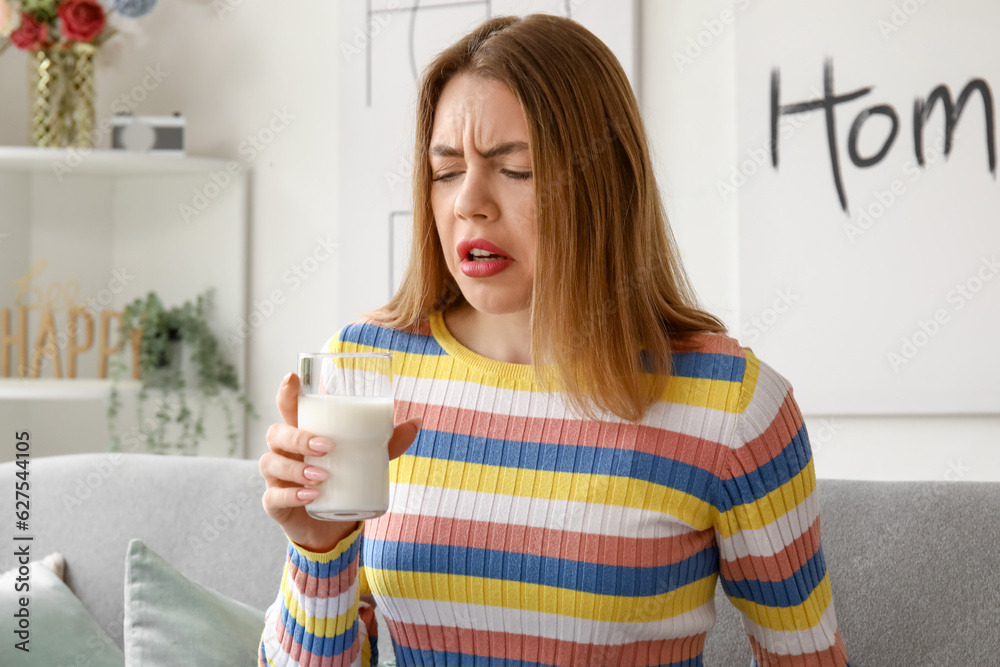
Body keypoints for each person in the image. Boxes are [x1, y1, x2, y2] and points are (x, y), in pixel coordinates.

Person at [257, 13, 855, 667]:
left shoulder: (731, 406)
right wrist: (318, 548)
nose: (470, 203)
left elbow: (805, 657)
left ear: (604, 184)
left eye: (515, 169)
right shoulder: (365, 368)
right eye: (447, 170)